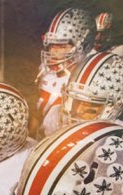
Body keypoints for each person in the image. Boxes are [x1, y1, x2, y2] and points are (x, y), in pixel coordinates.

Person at [34, 8, 95, 139]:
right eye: (51, 45)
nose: (54, 52)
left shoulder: (91, 79)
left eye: (61, 46)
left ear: (84, 46)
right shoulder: (44, 70)